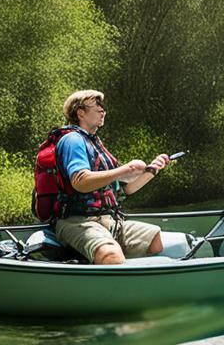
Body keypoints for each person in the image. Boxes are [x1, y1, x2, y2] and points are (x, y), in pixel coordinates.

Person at [53, 90, 175, 265]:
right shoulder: (73, 140)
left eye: (103, 107)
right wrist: (124, 170)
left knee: (154, 240)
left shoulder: (95, 142)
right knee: (111, 256)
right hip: (78, 221)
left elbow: (127, 188)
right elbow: (80, 181)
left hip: (108, 220)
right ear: (81, 113)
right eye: (97, 107)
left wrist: (152, 169)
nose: (103, 111)